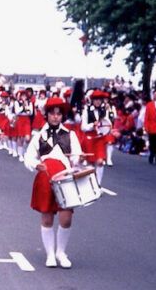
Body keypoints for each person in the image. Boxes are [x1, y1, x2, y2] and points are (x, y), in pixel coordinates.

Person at [24, 97, 84, 268]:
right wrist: (36, 164)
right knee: (47, 217)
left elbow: (77, 156)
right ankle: (50, 254)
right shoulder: (39, 135)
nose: (56, 117)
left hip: (65, 179)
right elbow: (28, 157)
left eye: (59, 114)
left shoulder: (70, 135)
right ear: (47, 115)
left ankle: (61, 252)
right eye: (52, 114)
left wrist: (76, 159)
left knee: (66, 218)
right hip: (45, 178)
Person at [80, 89, 114, 186]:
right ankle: (90, 184)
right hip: (89, 138)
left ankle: (98, 184)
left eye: (100, 99)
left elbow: (107, 124)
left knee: (100, 162)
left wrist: (108, 128)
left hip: (99, 139)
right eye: (96, 99)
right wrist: (92, 125)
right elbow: (83, 127)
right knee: (90, 164)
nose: (98, 101)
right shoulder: (86, 110)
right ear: (92, 100)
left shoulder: (104, 110)